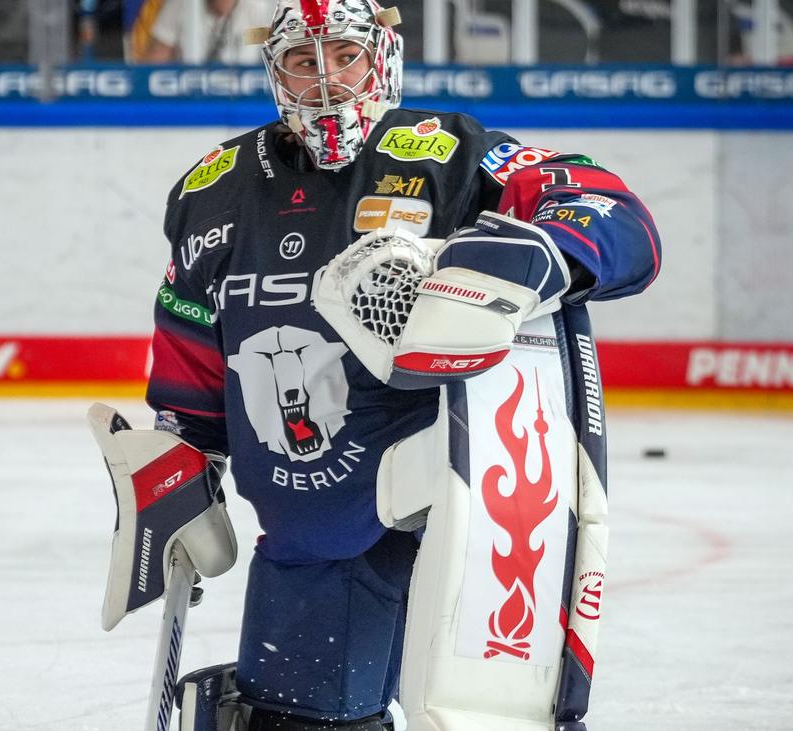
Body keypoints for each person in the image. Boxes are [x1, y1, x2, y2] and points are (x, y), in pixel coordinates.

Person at [110, 1, 661, 729]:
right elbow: (189, 340)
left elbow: (615, 213)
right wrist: (182, 452)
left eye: (345, 55)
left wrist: (548, 248)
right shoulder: (213, 188)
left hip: (463, 519)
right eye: (305, 62)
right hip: (312, 526)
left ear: (384, 59)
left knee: (482, 716)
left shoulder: (448, 155)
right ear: (275, 75)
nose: (329, 82)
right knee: (297, 720)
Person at [132, 0, 273, 63]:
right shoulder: (182, 5)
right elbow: (153, 62)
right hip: (192, 99)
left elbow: (273, 52)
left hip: (243, 101)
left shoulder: (258, 9)